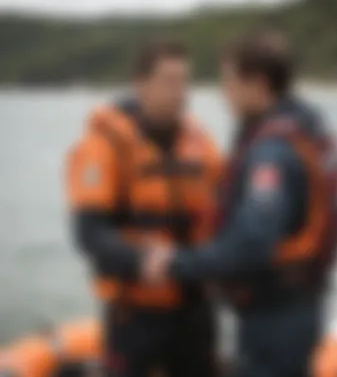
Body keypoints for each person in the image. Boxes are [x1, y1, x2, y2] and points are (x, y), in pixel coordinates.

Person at [143, 32, 337, 377]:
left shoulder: (271, 154)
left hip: (276, 318)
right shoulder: (306, 127)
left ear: (258, 84)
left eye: (229, 80)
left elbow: (254, 240)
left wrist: (178, 262)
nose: (224, 92)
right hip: (299, 304)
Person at [66, 40, 222, 377]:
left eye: (184, 82)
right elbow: (88, 231)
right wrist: (139, 259)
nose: (180, 92)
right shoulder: (105, 145)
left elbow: (226, 209)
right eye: (169, 82)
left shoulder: (201, 143)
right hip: (135, 314)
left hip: (194, 307)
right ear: (141, 84)